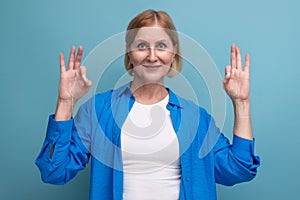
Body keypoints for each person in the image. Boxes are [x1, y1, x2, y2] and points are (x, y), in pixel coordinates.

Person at [35, 9, 260, 200]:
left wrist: (241, 103)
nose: (152, 56)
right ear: (130, 54)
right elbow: (54, 171)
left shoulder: (196, 118)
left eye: (161, 46)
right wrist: (65, 102)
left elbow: (238, 169)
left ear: (173, 54)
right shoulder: (99, 110)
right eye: (142, 46)